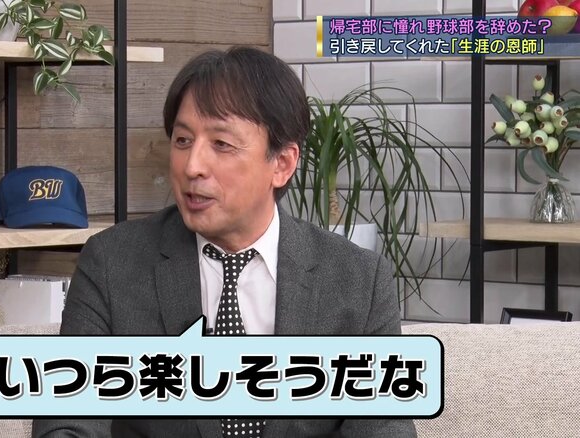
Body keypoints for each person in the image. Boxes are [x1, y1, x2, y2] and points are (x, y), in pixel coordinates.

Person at [32, 46, 416, 438]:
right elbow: (66, 424)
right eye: (183, 140)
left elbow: (384, 430)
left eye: (221, 144)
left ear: (282, 163)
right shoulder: (112, 263)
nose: (193, 166)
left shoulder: (359, 280)